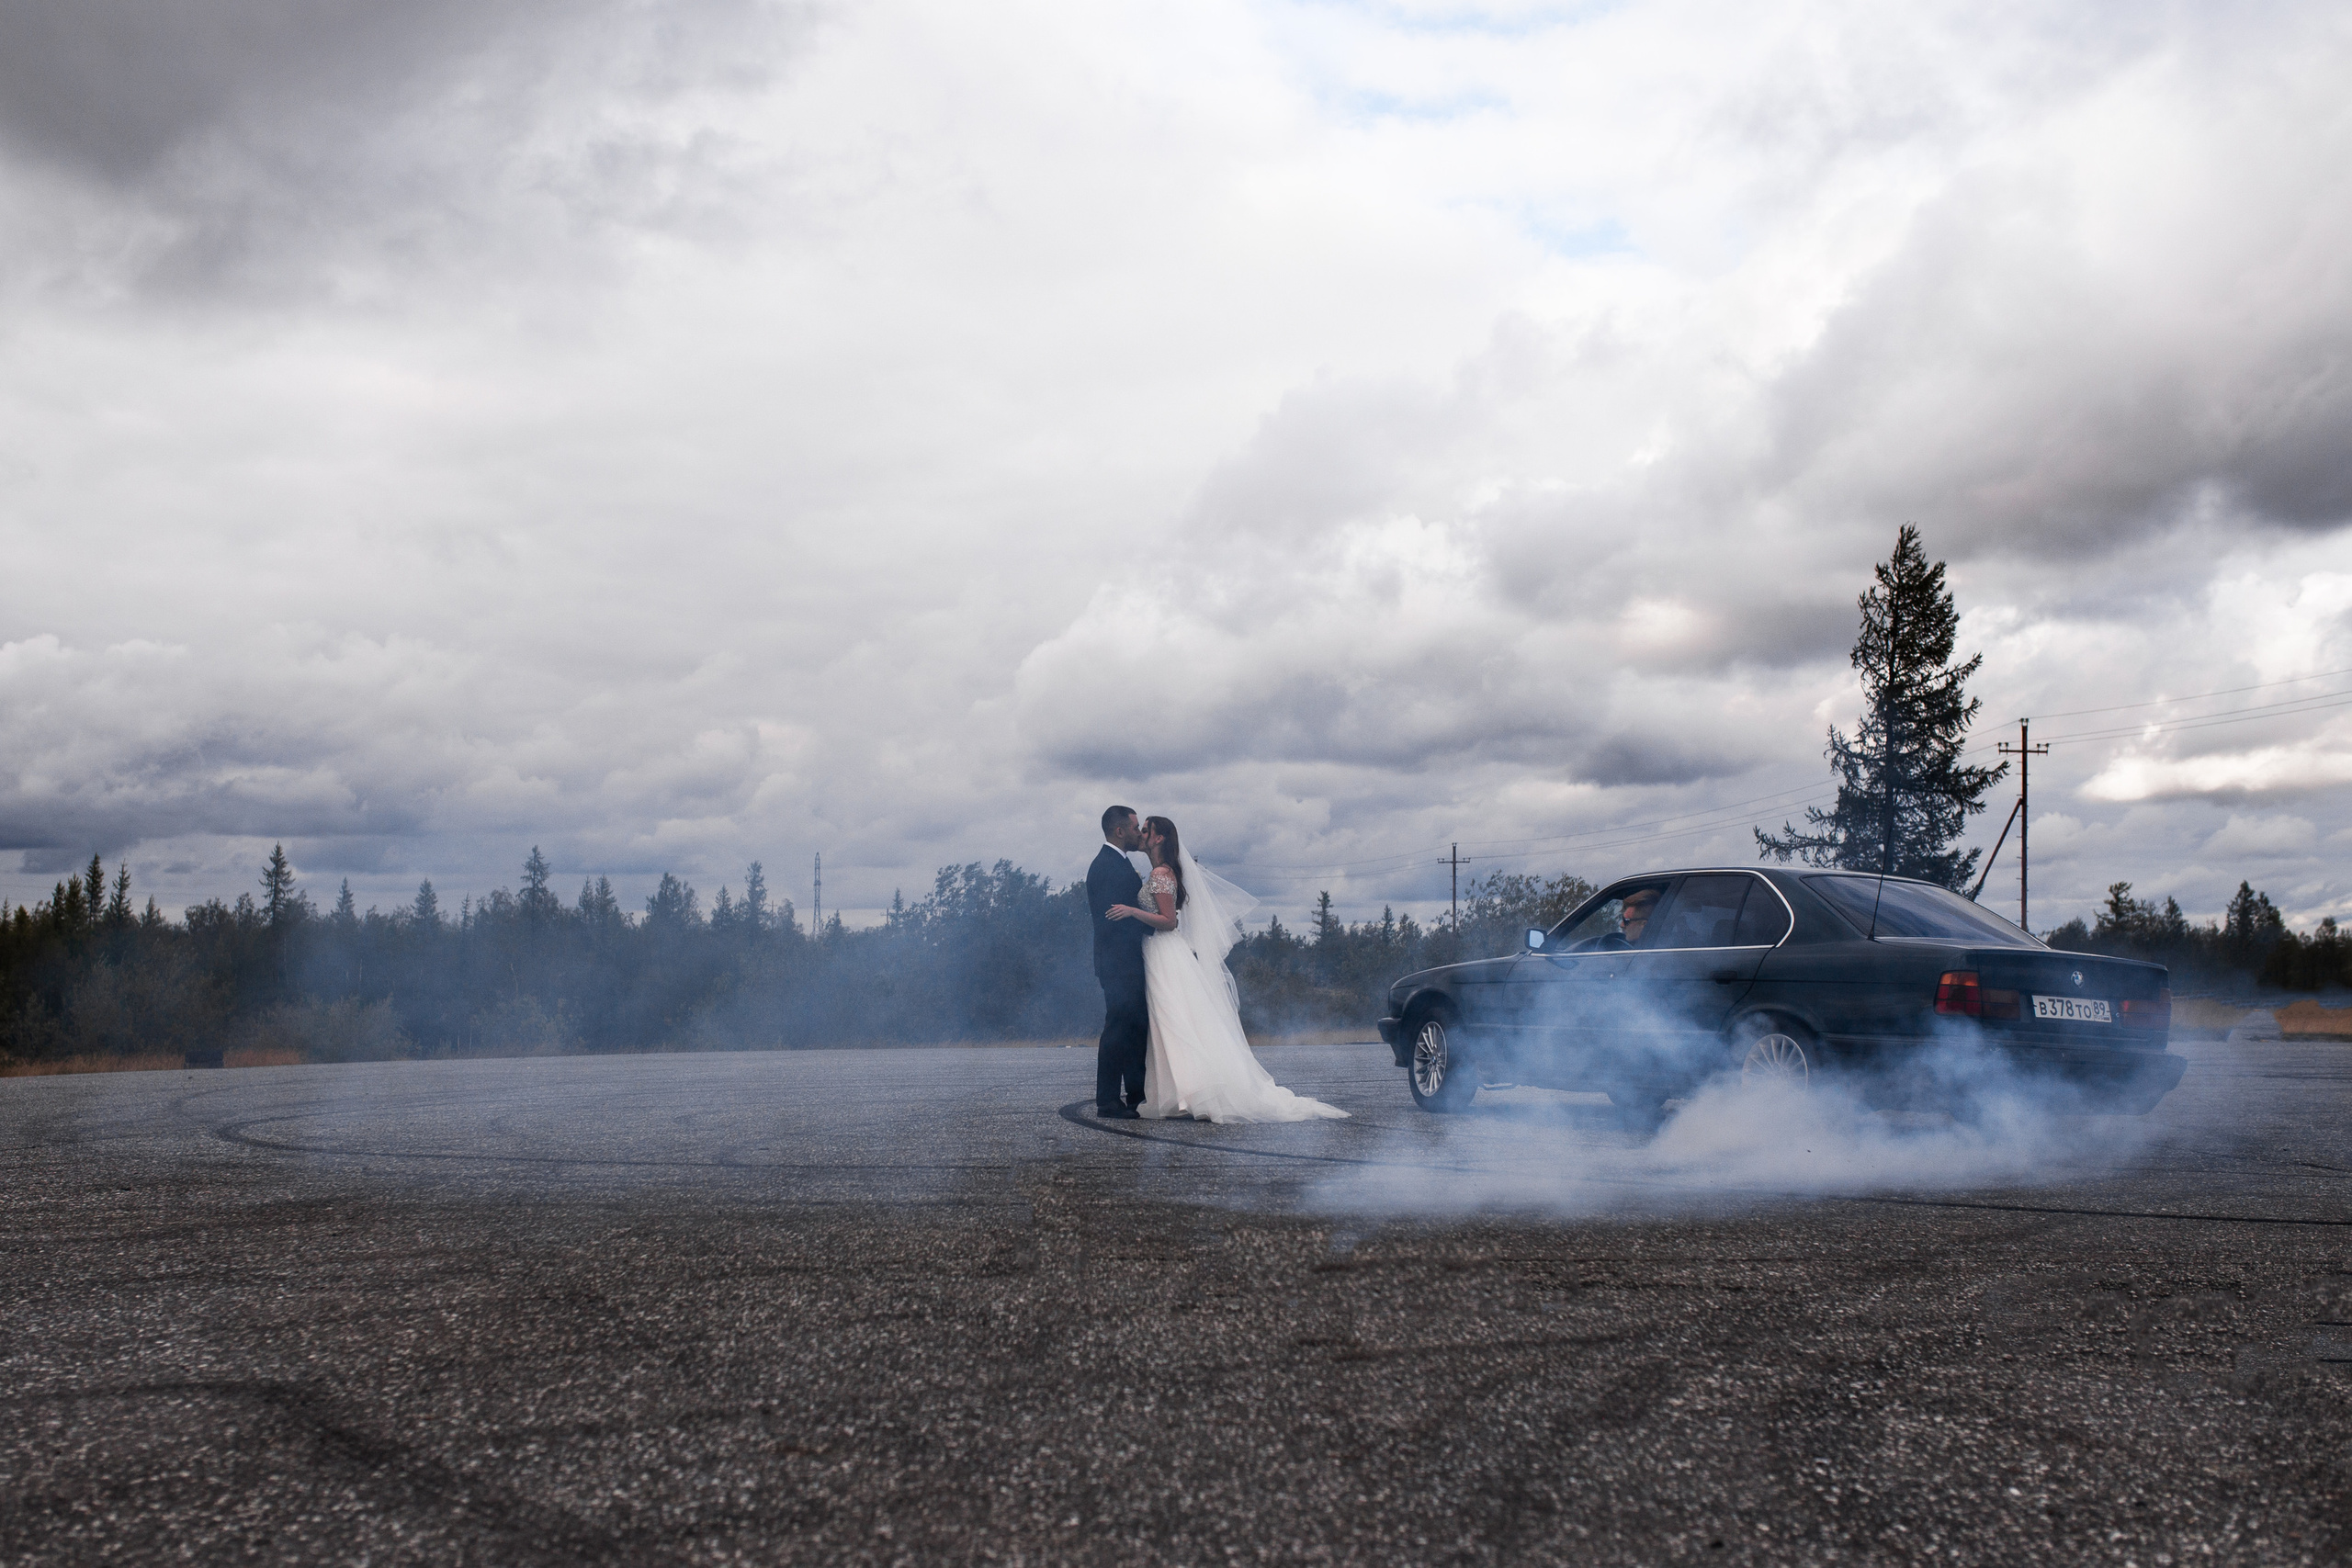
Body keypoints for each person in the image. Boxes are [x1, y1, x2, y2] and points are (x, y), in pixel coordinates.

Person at [1107, 815, 1347, 1124]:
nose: (1140, 834)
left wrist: (1132, 911)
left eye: (1146, 830)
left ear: (1159, 838)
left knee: (1175, 1020)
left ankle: (1193, 1094)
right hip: (1158, 953)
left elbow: (1170, 921)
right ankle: (1179, 1093)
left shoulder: (1162, 874)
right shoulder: (1158, 872)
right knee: (1169, 1024)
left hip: (1165, 953)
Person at [1086, 806, 1151, 1117]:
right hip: (1118, 963)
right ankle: (1108, 1100)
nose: (1140, 833)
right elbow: (1116, 920)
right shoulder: (1106, 867)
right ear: (1120, 831)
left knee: (1135, 1028)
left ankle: (1137, 1094)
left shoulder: (1118, 864)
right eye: (1136, 827)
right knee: (1118, 1028)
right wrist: (1155, 922)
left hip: (1126, 961)